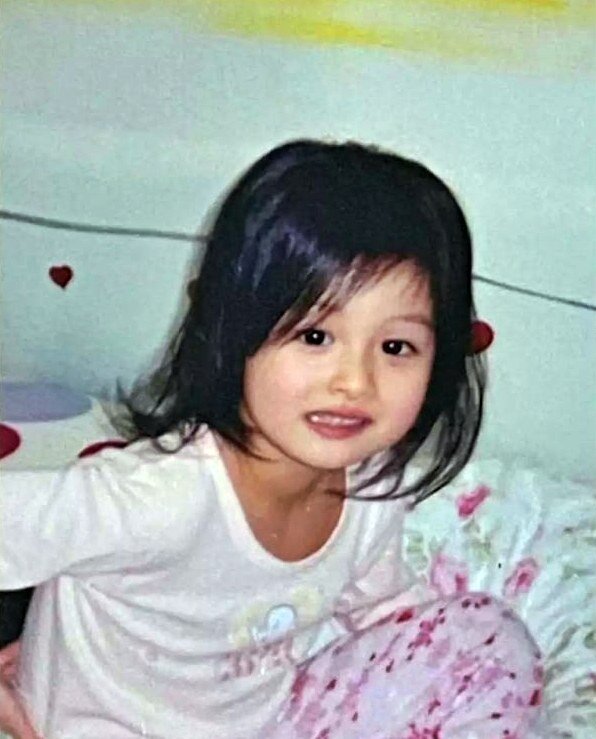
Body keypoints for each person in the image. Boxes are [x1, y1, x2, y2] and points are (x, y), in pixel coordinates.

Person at [0, 140, 546, 738]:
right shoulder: (158, 497)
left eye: (396, 347)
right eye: (315, 337)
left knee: (489, 638)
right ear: (232, 333)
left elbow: (380, 605)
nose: (355, 382)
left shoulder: (372, 485)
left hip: (267, 722)